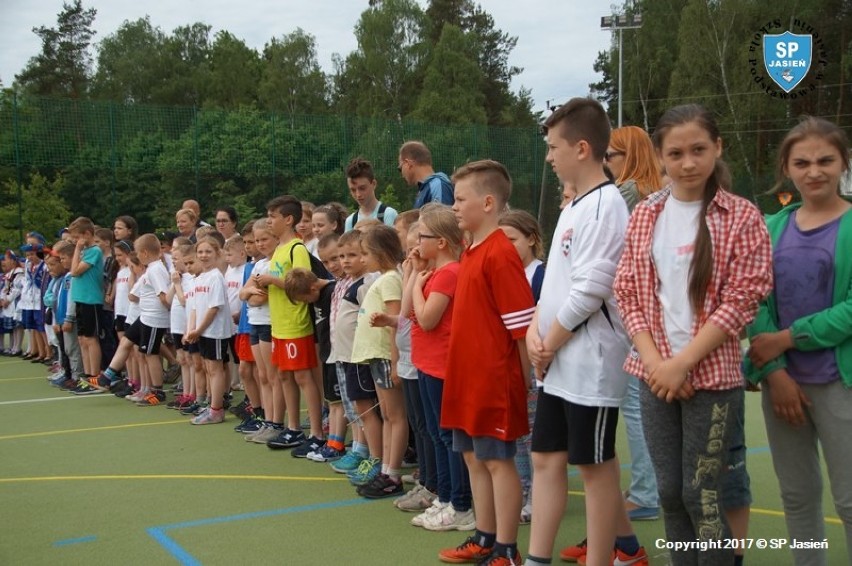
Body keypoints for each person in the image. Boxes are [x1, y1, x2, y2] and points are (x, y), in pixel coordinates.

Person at [613, 104, 773, 565]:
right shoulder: (646, 213)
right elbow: (628, 291)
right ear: (660, 157)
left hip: (711, 378)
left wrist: (683, 363)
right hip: (653, 374)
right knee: (667, 491)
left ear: (717, 148)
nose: (687, 163)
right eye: (676, 153)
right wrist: (658, 363)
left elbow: (744, 299)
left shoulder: (741, 216)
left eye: (698, 150)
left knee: (701, 492)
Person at [524, 99, 645, 566]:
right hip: (558, 362)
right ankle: (539, 558)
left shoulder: (608, 206)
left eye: (554, 147)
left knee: (594, 468)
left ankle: (604, 558)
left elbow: (592, 289)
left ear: (581, 147)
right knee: (546, 459)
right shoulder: (576, 205)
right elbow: (556, 284)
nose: (550, 157)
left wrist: (547, 342)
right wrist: (537, 332)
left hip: (589, 363)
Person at [745, 117, 852, 566]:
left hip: (839, 384)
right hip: (783, 386)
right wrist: (775, 373)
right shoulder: (772, 227)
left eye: (826, 160)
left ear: (844, 163)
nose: (815, 171)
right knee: (797, 496)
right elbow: (754, 299)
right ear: (786, 168)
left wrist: (788, 339)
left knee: (849, 499)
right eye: (802, 162)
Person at [438, 160, 533, 565]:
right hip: (465, 378)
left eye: (460, 199)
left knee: (498, 461)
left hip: (493, 380)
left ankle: (506, 550)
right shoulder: (470, 249)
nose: (454, 207)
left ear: (489, 202)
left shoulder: (501, 253)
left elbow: (522, 330)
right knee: (475, 459)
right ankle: (484, 536)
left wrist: (525, 385)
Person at [406, 204, 474, 530]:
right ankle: (445, 498)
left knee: (448, 438)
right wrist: (413, 275)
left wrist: (418, 288)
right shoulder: (432, 271)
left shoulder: (450, 273)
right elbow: (408, 310)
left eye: (423, 236)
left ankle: (459, 503)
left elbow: (427, 318)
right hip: (427, 363)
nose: (418, 242)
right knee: (437, 434)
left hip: (442, 366)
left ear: (442, 242)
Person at [256, 196, 323, 453]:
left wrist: (272, 280)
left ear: (288, 219)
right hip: (279, 324)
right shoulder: (279, 251)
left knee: (303, 377)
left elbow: (304, 283)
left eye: (273, 216)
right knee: (284, 375)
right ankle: (293, 428)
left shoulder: (297, 248)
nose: (269, 221)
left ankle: (316, 432)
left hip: (296, 323)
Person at [350, 225, 407, 498]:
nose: (362, 259)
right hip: (377, 355)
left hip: (386, 354)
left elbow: (397, 322)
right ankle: (386, 469)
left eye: (365, 253)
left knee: (395, 416)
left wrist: (396, 361)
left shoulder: (391, 279)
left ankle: (393, 474)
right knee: (387, 415)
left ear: (380, 253)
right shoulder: (385, 278)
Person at [498, 209, 545, 525]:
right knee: (515, 435)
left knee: (533, 437)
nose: (505, 246)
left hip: (533, 368)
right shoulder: (503, 273)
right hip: (508, 367)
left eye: (511, 239)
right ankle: (524, 491)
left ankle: (538, 497)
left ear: (531, 238)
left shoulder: (543, 275)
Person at [85, 234, 172, 405]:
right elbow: (134, 295)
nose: (137, 257)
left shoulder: (156, 270)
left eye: (138, 253)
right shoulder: (151, 269)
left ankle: (157, 391)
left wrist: (172, 298)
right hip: (144, 316)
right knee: (126, 341)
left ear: (145, 253)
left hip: (154, 318)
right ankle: (107, 376)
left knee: (150, 353)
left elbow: (164, 297)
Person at [283, 268, 346, 461]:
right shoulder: (317, 294)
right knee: (333, 402)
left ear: (312, 288)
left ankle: (337, 444)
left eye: (304, 299)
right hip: (327, 354)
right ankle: (332, 442)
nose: (305, 304)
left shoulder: (331, 292)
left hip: (338, 354)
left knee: (340, 402)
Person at [183, 236, 233, 424]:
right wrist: (192, 330)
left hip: (215, 331)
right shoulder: (199, 278)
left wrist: (199, 329)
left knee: (215, 369)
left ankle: (216, 410)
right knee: (207, 368)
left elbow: (214, 308)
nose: (203, 256)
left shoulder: (216, 277)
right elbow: (195, 308)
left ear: (217, 254)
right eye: (201, 252)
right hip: (203, 332)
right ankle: (212, 405)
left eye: (208, 252)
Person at [240, 222, 278, 438]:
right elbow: (243, 295)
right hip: (254, 322)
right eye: (257, 240)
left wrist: (251, 294)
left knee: (272, 376)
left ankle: (275, 422)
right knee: (262, 375)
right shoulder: (258, 265)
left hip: (268, 322)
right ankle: (267, 420)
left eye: (264, 239)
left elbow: (258, 298)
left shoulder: (275, 264)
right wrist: (250, 293)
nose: (260, 244)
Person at [67, 217, 105, 378]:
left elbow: (75, 271)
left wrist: (77, 249)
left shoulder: (94, 251)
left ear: (87, 234)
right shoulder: (85, 251)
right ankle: (87, 374)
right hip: (81, 299)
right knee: (82, 339)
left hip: (91, 299)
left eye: (77, 237)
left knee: (90, 338)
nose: (76, 241)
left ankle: (94, 375)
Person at [606, 126, 662, 212]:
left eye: (607, 155)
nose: (604, 161)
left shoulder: (628, 191)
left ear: (629, 156)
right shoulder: (647, 187)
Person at [344, 157, 399, 231]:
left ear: (373, 184)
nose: (358, 194)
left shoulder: (388, 214)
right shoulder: (350, 222)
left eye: (362, 188)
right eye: (353, 190)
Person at [398, 141, 455, 208]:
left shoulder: (437, 185)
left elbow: (441, 217)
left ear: (408, 163)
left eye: (400, 168)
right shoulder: (425, 190)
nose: (402, 174)